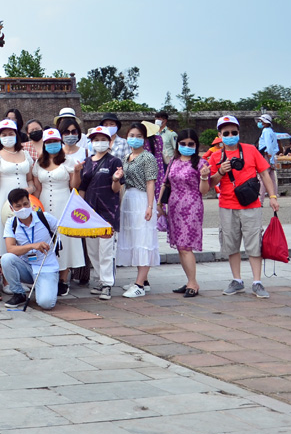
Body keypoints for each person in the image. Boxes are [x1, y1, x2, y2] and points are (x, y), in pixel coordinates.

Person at [206, 115, 280, 299]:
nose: (230, 135)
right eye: (226, 133)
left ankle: (257, 282)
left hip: (251, 204)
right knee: (231, 244)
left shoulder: (250, 150)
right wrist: (221, 171)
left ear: (239, 133)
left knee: (254, 243)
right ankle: (237, 280)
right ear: (220, 135)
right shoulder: (215, 156)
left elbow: (264, 174)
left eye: (233, 132)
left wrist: (272, 196)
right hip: (227, 205)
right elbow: (209, 183)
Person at [158, 129, 210, 298]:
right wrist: (159, 204)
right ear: (177, 144)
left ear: (196, 145)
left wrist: (203, 177)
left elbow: (204, 191)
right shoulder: (173, 161)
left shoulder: (201, 163)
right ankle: (189, 280)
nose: (187, 147)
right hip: (174, 206)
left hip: (192, 206)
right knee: (180, 246)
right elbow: (165, 183)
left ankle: (193, 283)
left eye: (190, 144)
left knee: (186, 246)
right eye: (183, 144)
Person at [32, 128, 83, 297]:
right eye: (48, 142)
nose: (52, 145)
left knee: (65, 239)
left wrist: (76, 172)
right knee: (46, 237)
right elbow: (37, 187)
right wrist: (36, 208)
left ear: (60, 143)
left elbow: (74, 185)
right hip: (45, 201)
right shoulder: (39, 163)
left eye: (55, 142)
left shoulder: (68, 160)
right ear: (44, 144)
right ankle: (49, 274)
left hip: (64, 201)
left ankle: (63, 278)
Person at [78, 126, 124, 300]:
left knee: (106, 250)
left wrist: (116, 179)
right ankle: (98, 280)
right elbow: (82, 187)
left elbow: (116, 189)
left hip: (108, 212)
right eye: (95, 139)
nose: (99, 142)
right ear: (91, 142)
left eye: (102, 139)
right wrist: (81, 209)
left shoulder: (114, 162)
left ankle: (107, 283)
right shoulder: (87, 161)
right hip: (90, 212)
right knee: (93, 250)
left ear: (109, 141)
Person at [117, 122, 159, 298]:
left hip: (142, 199)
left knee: (144, 239)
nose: (135, 139)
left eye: (139, 136)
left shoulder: (148, 158)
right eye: (132, 135)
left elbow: (150, 182)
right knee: (135, 239)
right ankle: (142, 279)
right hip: (129, 198)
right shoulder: (127, 157)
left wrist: (149, 206)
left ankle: (139, 284)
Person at [1, 189, 59, 310]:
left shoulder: (45, 218)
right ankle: (18, 293)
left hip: (46, 267)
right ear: (12, 209)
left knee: (46, 304)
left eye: (26, 204)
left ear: (30, 203)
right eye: (18, 206)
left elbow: (65, 230)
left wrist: (96, 232)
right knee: (6, 259)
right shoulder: (11, 223)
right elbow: (10, 249)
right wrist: (33, 246)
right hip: (26, 267)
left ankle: (46, 284)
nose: (23, 208)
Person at [0, 119, 35, 256]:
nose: (8, 137)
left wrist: (30, 190)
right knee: (6, 229)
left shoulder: (25, 154)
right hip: (4, 198)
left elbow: (31, 179)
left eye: (11, 133)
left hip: (26, 199)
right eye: (4, 135)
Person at [256, 114, 279, 201]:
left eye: (261, 121)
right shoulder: (271, 131)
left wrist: (270, 157)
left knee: (262, 178)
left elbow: (268, 145)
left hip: (266, 155)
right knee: (272, 178)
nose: (260, 123)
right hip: (271, 155)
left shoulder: (266, 131)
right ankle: (274, 197)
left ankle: (260, 200)